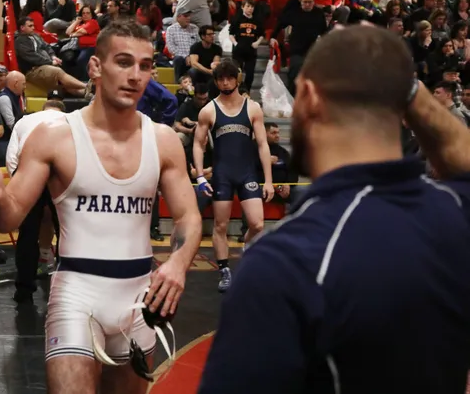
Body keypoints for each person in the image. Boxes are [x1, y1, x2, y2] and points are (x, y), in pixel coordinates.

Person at [198, 25, 470, 394]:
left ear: (308, 96)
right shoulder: (455, 212)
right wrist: (402, 86)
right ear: (404, 103)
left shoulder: (285, 263)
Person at [0, 20, 202, 394]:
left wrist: (179, 263)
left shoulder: (163, 141)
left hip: (138, 299)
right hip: (77, 294)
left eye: (145, 65)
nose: (135, 75)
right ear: (96, 67)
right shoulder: (54, 136)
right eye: (123, 62)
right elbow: (11, 215)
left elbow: (188, 216)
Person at [193, 59, 274, 293]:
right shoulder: (208, 110)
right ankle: (225, 270)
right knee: (220, 225)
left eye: (229, 77)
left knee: (257, 224)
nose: (225, 82)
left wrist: (268, 180)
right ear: (216, 81)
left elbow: (262, 145)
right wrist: (200, 176)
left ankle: (246, 249)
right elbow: (198, 145)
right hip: (222, 175)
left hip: (247, 171)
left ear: (236, 78)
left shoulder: (252, 108)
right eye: (220, 78)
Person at [6, 100, 66, 304]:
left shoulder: (24, 120)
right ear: (61, 110)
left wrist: (19, 184)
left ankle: (23, 290)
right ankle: (67, 289)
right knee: (66, 232)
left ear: (44, 109)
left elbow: (12, 157)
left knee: (28, 232)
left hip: (28, 171)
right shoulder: (71, 120)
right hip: (61, 172)